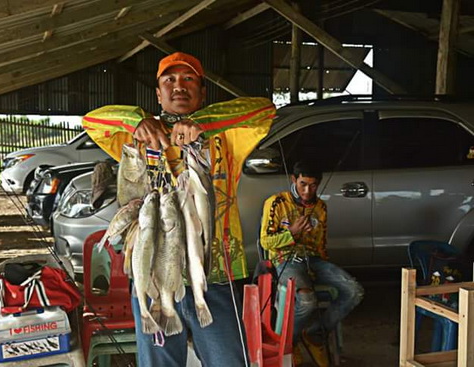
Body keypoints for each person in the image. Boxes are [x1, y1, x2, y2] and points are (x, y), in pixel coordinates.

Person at [82, 52, 276, 366]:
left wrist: (203, 123)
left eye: (188, 79)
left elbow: (264, 110)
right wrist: (137, 120)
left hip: (215, 275)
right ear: (158, 94)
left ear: (202, 92)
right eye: (168, 80)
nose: (179, 86)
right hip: (153, 276)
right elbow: (91, 120)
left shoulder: (226, 136)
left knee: (228, 361)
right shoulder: (137, 139)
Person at [260, 161, 364, 367]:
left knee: (354, 291)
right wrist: (292, 233)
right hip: (285, 260)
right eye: (303, 184)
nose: (307, 191)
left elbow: (321, 245)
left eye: (313, 185)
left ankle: (317, 331)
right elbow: (265, 241)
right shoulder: (276, 202)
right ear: (294, 180)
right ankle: (292, 340)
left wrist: (320, 269)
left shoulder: (321, 207)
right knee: (307, 301)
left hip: (313, 261)